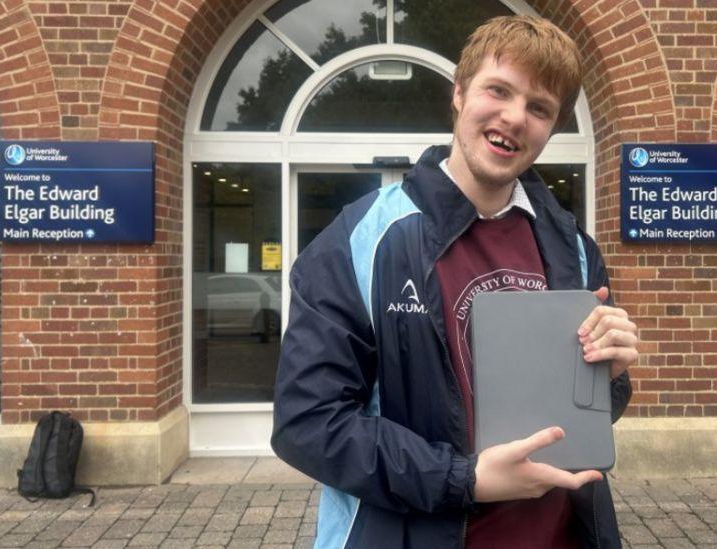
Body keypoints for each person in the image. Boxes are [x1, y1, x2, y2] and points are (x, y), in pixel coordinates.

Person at [272, 14, 637, 549]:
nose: (515, 117)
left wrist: (610, 376)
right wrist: (463, 480)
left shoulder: (574, 249)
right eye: (499, 90)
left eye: (539, 108)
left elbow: (588, 413)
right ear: (460, 94)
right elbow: (308, 424)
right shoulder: (360, 240)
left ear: (552, 128)